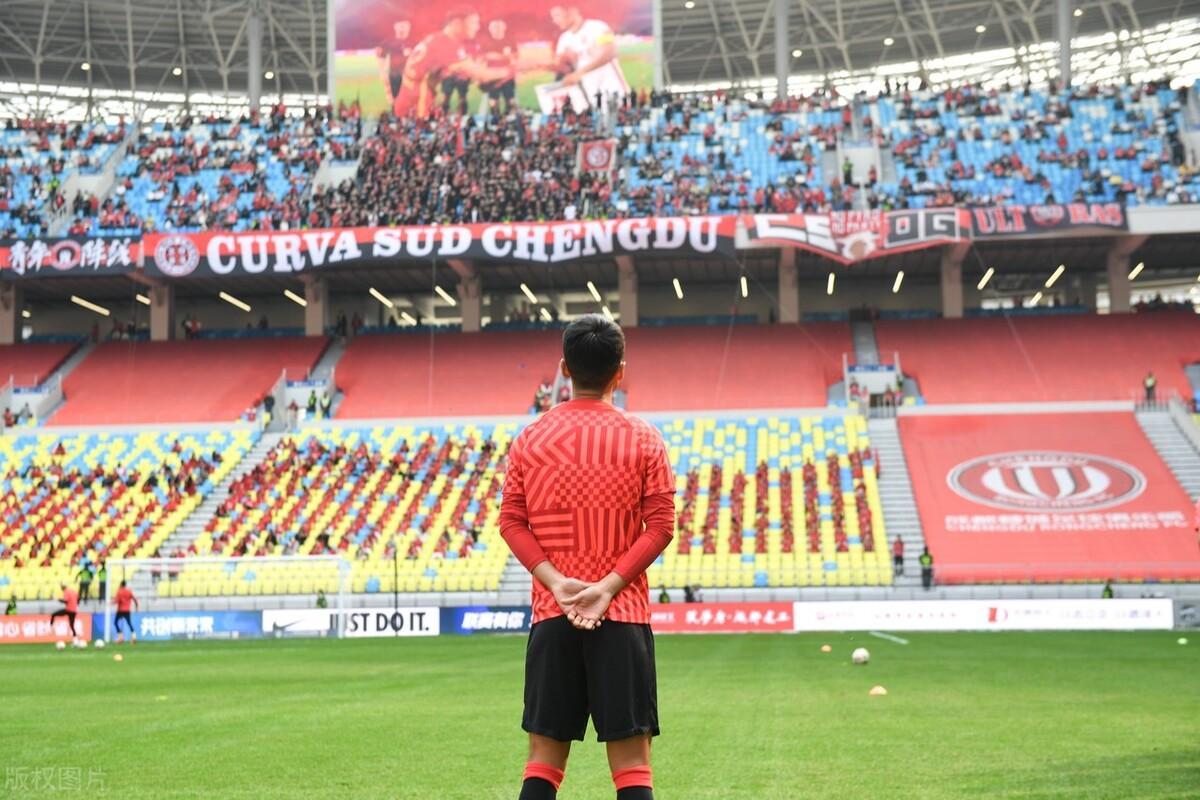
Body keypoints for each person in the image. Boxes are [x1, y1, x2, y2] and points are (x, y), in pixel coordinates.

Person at [500, 314, 674, 800]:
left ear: (564, 368)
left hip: (553, 614)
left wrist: (557, 584)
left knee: (542, 763)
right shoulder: (644, 438)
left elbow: (511, 521)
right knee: (633, 768)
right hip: (623, 615)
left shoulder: (529, 438)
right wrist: (608, 587)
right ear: (620, 372)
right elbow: (661, 527)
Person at [393, 7, 512, 118]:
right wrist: (511, 70)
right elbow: (482, 75)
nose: (477, 27)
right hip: (416, 106)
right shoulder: (446, 44)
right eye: (473, 23)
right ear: (457, 23)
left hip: (409, 101)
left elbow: (457, 69)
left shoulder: (438, 39)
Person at [544, 5, 628, 106]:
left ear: (572, 11)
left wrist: (580, 73)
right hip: (590, 94)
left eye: (557, 15)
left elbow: (610, 52)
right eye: (553, 17)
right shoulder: (564, 39)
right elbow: (562, 67)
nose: (555, 20)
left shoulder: (598, 27)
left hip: (613, 89)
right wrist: (541, 65)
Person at [479, 18, 518, 113]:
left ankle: (509, 117)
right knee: (493, 100)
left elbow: (515, 56)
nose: (497, 29)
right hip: (492, 75)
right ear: (490, 29)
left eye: (499, 27)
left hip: (507, 75)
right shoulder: (486, 42)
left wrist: (515, 72)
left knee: (510, 99)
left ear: (504, 28)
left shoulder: (510, 41)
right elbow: (482, 58)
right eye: (494, 27)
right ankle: (496, 117)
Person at [376, 19, 414, 106]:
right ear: (395, 27)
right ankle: (396, 111)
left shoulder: (413, 41)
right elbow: (381, 57)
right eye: (400, 26)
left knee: (410, 100)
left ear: (409, 27)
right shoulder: (390, 41)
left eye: (405, 26)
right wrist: (382, 73)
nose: (403, 28)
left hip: (410, 76)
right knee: (396, 99)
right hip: (395, 75)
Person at [113, 580, 139, 644]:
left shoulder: (119, 591)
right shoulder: (129, 591)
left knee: (115, 622)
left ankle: (120, 637)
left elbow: (117, 601)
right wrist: (137, 607)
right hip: (127, 610)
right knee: (129, 623)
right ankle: (134, 637)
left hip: (120, 610)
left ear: (121, 585)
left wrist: (110, 603)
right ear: (125, 585)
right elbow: (135, 599)